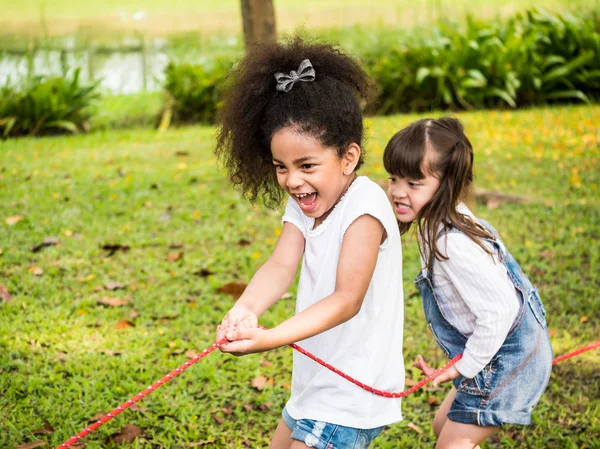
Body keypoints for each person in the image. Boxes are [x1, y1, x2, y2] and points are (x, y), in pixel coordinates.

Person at [214, 38, 405, 449]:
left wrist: (271, 337)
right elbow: (281, 266)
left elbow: (347, 299)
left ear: (348, 158)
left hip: (351, 393)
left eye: (307, 166)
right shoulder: (304, 202)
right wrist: (244, 309)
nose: (292, 180)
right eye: (281, 167)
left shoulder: (365, 206)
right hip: (314, 386)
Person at [383, 117, 553, 449]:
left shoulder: (452, 243)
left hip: (507, 361)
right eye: (394, 178)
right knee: (439, 427)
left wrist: (466, 365)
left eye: (414, 183)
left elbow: (500, 310)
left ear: (446, 183)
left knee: (448, 445)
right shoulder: (441, 222)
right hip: (492, 354)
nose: (397, 191)